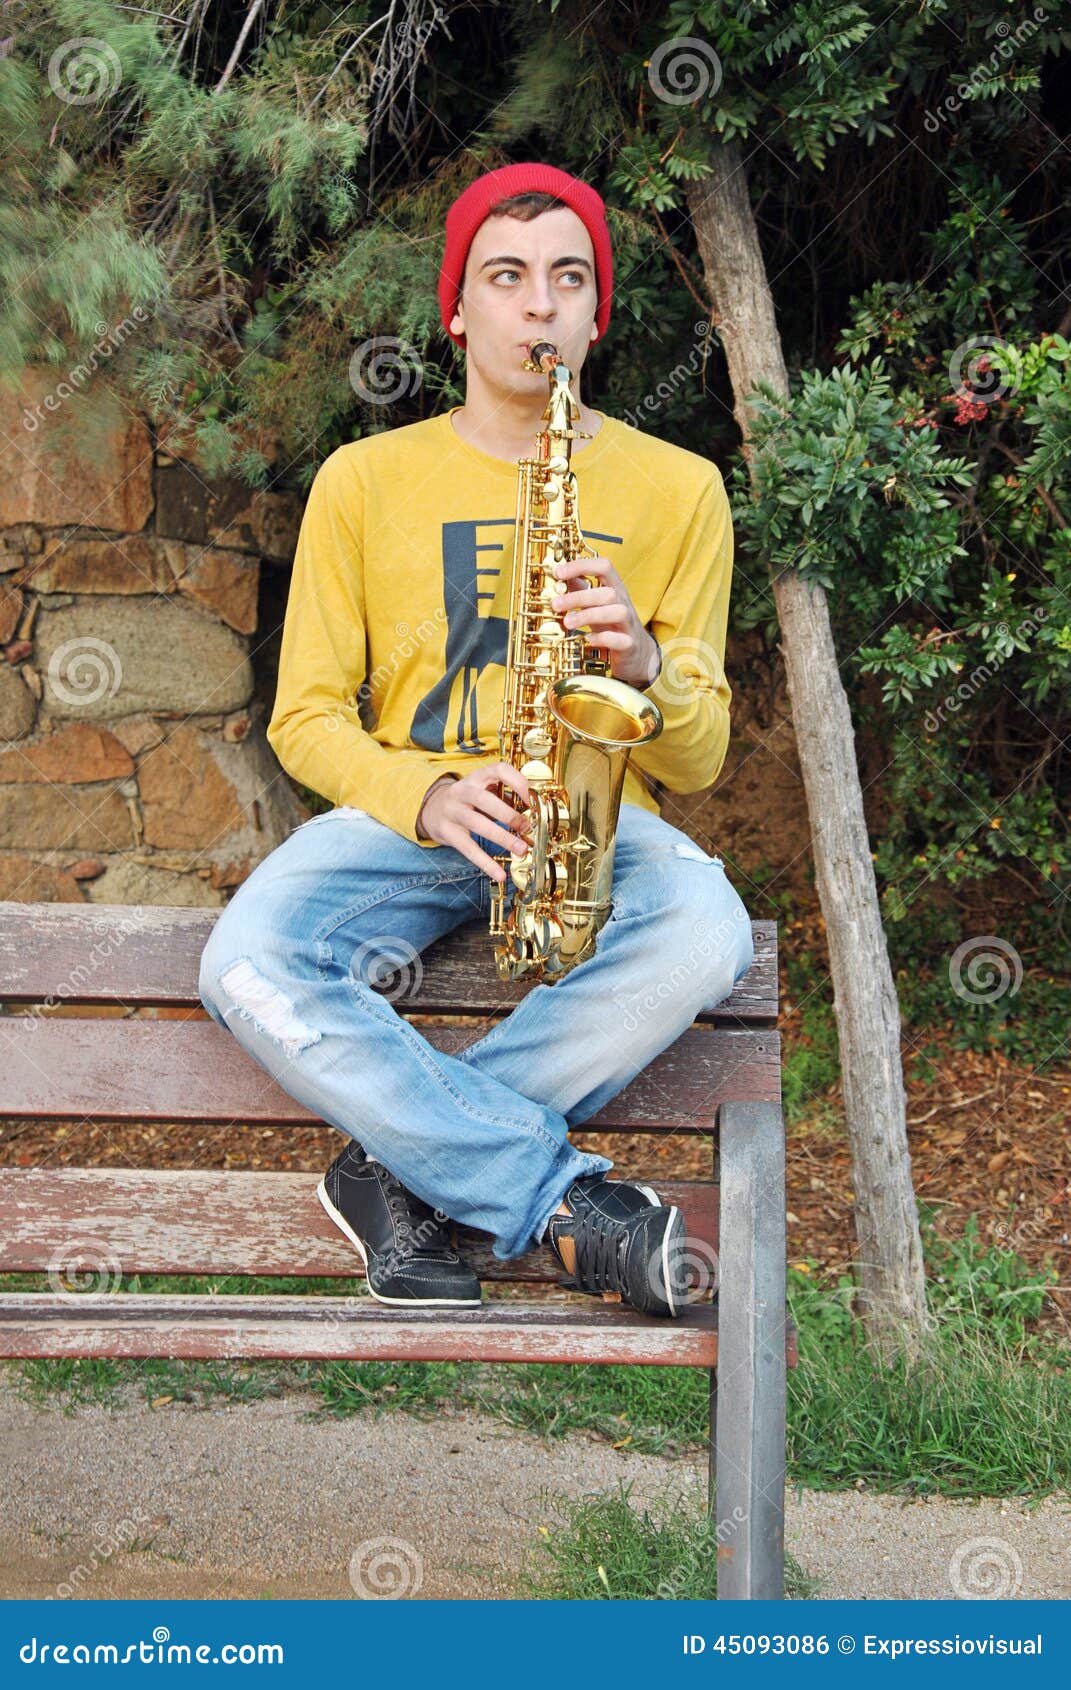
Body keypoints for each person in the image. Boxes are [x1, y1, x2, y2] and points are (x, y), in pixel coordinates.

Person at [198, 161, 754, 1319]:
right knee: (242, 956)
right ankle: (555, 1197)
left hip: (590, 830)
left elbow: (697, 759)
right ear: (458, 308)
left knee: (708, 926)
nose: (539, 305)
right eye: (507, 277)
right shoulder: (361, 480)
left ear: (597, 311)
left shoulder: (684, 488)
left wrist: (645, 664)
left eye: (567, 278)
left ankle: (395, 1166)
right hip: (414, 816)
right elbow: (301, 715)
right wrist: (427, 792)